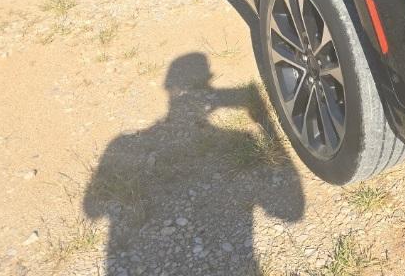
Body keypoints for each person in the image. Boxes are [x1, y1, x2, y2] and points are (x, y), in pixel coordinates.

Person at [83, 53, 304, 275]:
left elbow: (91, 209)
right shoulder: (240, 137)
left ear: (169, 89)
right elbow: (291, 212)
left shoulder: (121, 143)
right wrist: (266, 122)